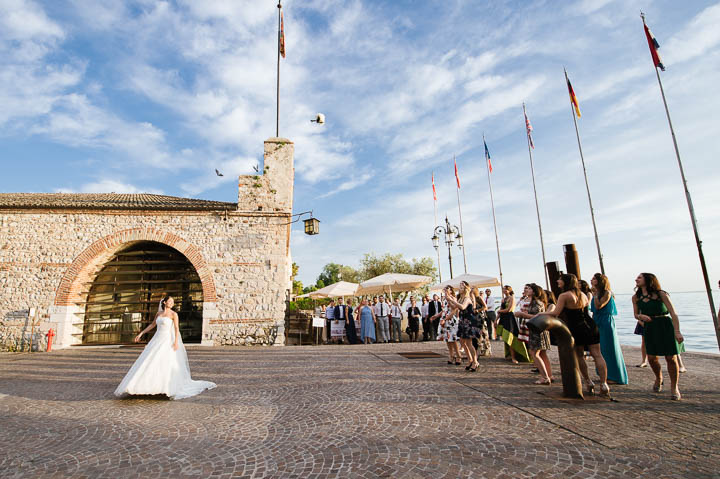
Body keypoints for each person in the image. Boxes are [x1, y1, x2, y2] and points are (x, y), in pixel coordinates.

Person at [115, 295, 216, 399]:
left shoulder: (174, 314)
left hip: (167, 340)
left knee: (165, 362)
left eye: (173, 302)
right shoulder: (159, 314)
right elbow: (152, 325)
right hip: (157, 340)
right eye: (170, 301)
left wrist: (176, 342)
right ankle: (143, 386)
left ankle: (165, 387)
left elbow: (176, 328)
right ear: (164, 302)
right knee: (149, 361)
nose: (172, 303)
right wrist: (141, 333)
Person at [546, 274, 609, 396]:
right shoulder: (583, 294)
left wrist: (539, 315)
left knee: (579, 355)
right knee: (597, 354)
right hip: (590, 325)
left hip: (575, 327)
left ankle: (588, 381)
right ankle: (604, 384)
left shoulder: (564, 295)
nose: (557, 281)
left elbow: (555, 312)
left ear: (565, 282)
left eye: (560, 279)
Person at [633, 273, 684, 400]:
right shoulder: (636, 297)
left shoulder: (661, 294)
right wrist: (640, 317)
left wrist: (677, 331)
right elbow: (635, 314)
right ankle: (659, 377)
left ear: (648, 280)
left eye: (639, 277)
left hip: (665, 325)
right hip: (650, 327)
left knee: (671, 358)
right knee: (651, 358)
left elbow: (673, 313)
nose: (636, 279)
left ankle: (674, 387)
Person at [590, 273, 628, 385]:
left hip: (606, 321)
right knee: (600, 349)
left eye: (594, 279)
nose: (591, 280)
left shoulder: (607, 293)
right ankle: (603, 374)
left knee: (609, 348)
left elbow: (599, 306)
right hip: (597, 320)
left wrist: (596, 295)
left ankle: (615, 376)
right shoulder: (595, 293)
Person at [446, 281, 481, 372]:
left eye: (461, 288)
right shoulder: (461, 298)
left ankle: (475, 362)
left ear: (465, 290)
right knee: (462, 342)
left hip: (468, 322)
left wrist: (452, 300)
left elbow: (462, 307)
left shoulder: (467, 298)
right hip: (462, 321)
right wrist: (449, 299)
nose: (459, 289)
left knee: (469, 343)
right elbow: (455, 307)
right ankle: (470, 360)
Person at [496, 286, 530, 363]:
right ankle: (509, 355)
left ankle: (514, 357)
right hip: (503, 318)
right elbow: (500, 310)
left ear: (509, 290)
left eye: (505, 289)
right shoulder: (503, 299)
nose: (504, 290)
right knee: (505, 337)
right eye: (503, 289)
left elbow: (509, 309)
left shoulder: (512, 298)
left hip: (510, 318)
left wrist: (500, 311)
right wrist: (496, 320)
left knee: (510, 337)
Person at [436, 286, 460, 365]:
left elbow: (454, 309)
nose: (445, 290)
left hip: (451, 320)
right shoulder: (443, 299)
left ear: (451, 291)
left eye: (447, 289)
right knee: (447, 339)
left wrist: (449, 299)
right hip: (443, 319)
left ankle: (458, 356)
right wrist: (436, 316)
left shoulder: (453, 298)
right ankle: (451, 355)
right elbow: (443, 310)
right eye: (445, 289)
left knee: (453, 339)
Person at [470, 286, 491, 357]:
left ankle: (487, 350)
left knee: (484, 334)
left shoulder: (479, 298)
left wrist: (478, 310)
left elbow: (485, 307)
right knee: (477, 334)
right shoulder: (471, 299)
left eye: (472, 289)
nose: (471, 290)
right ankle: (480, 350)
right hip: (474, 318)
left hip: (481, 317)